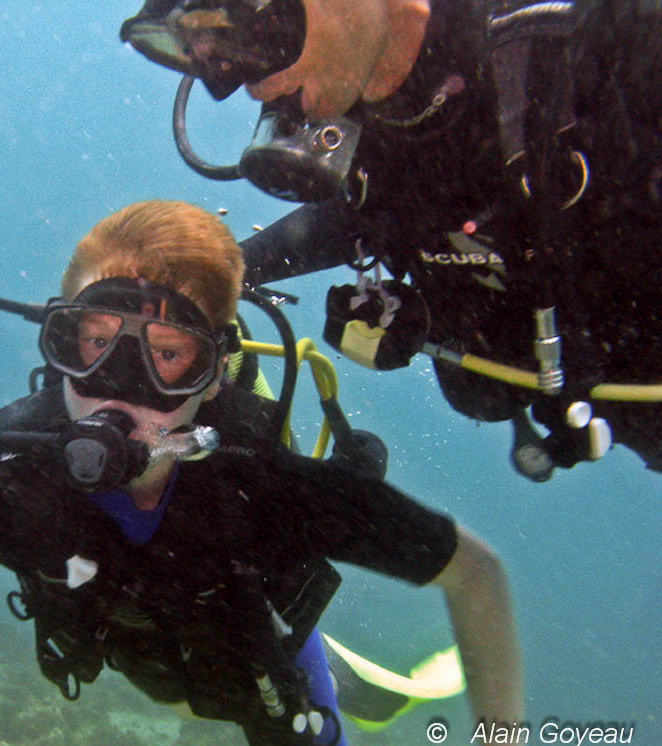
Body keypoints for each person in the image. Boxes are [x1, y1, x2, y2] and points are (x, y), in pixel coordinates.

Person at [0, 201, 527, 746]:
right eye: (92, 345)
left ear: (213, 370)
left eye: (167, 356)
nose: (116, 391)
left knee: (305, 710)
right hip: (142, 654)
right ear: (57, 342)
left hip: (256, 672)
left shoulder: (268, 488)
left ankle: (334, 667)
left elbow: (477, 573)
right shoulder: (3, 480)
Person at [120, 0, 662, 482]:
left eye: (240, 26)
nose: (232, 82)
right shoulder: (368, 143)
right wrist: (207, 280)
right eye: (200, 54)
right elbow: (349, 221)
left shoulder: (611, 44)